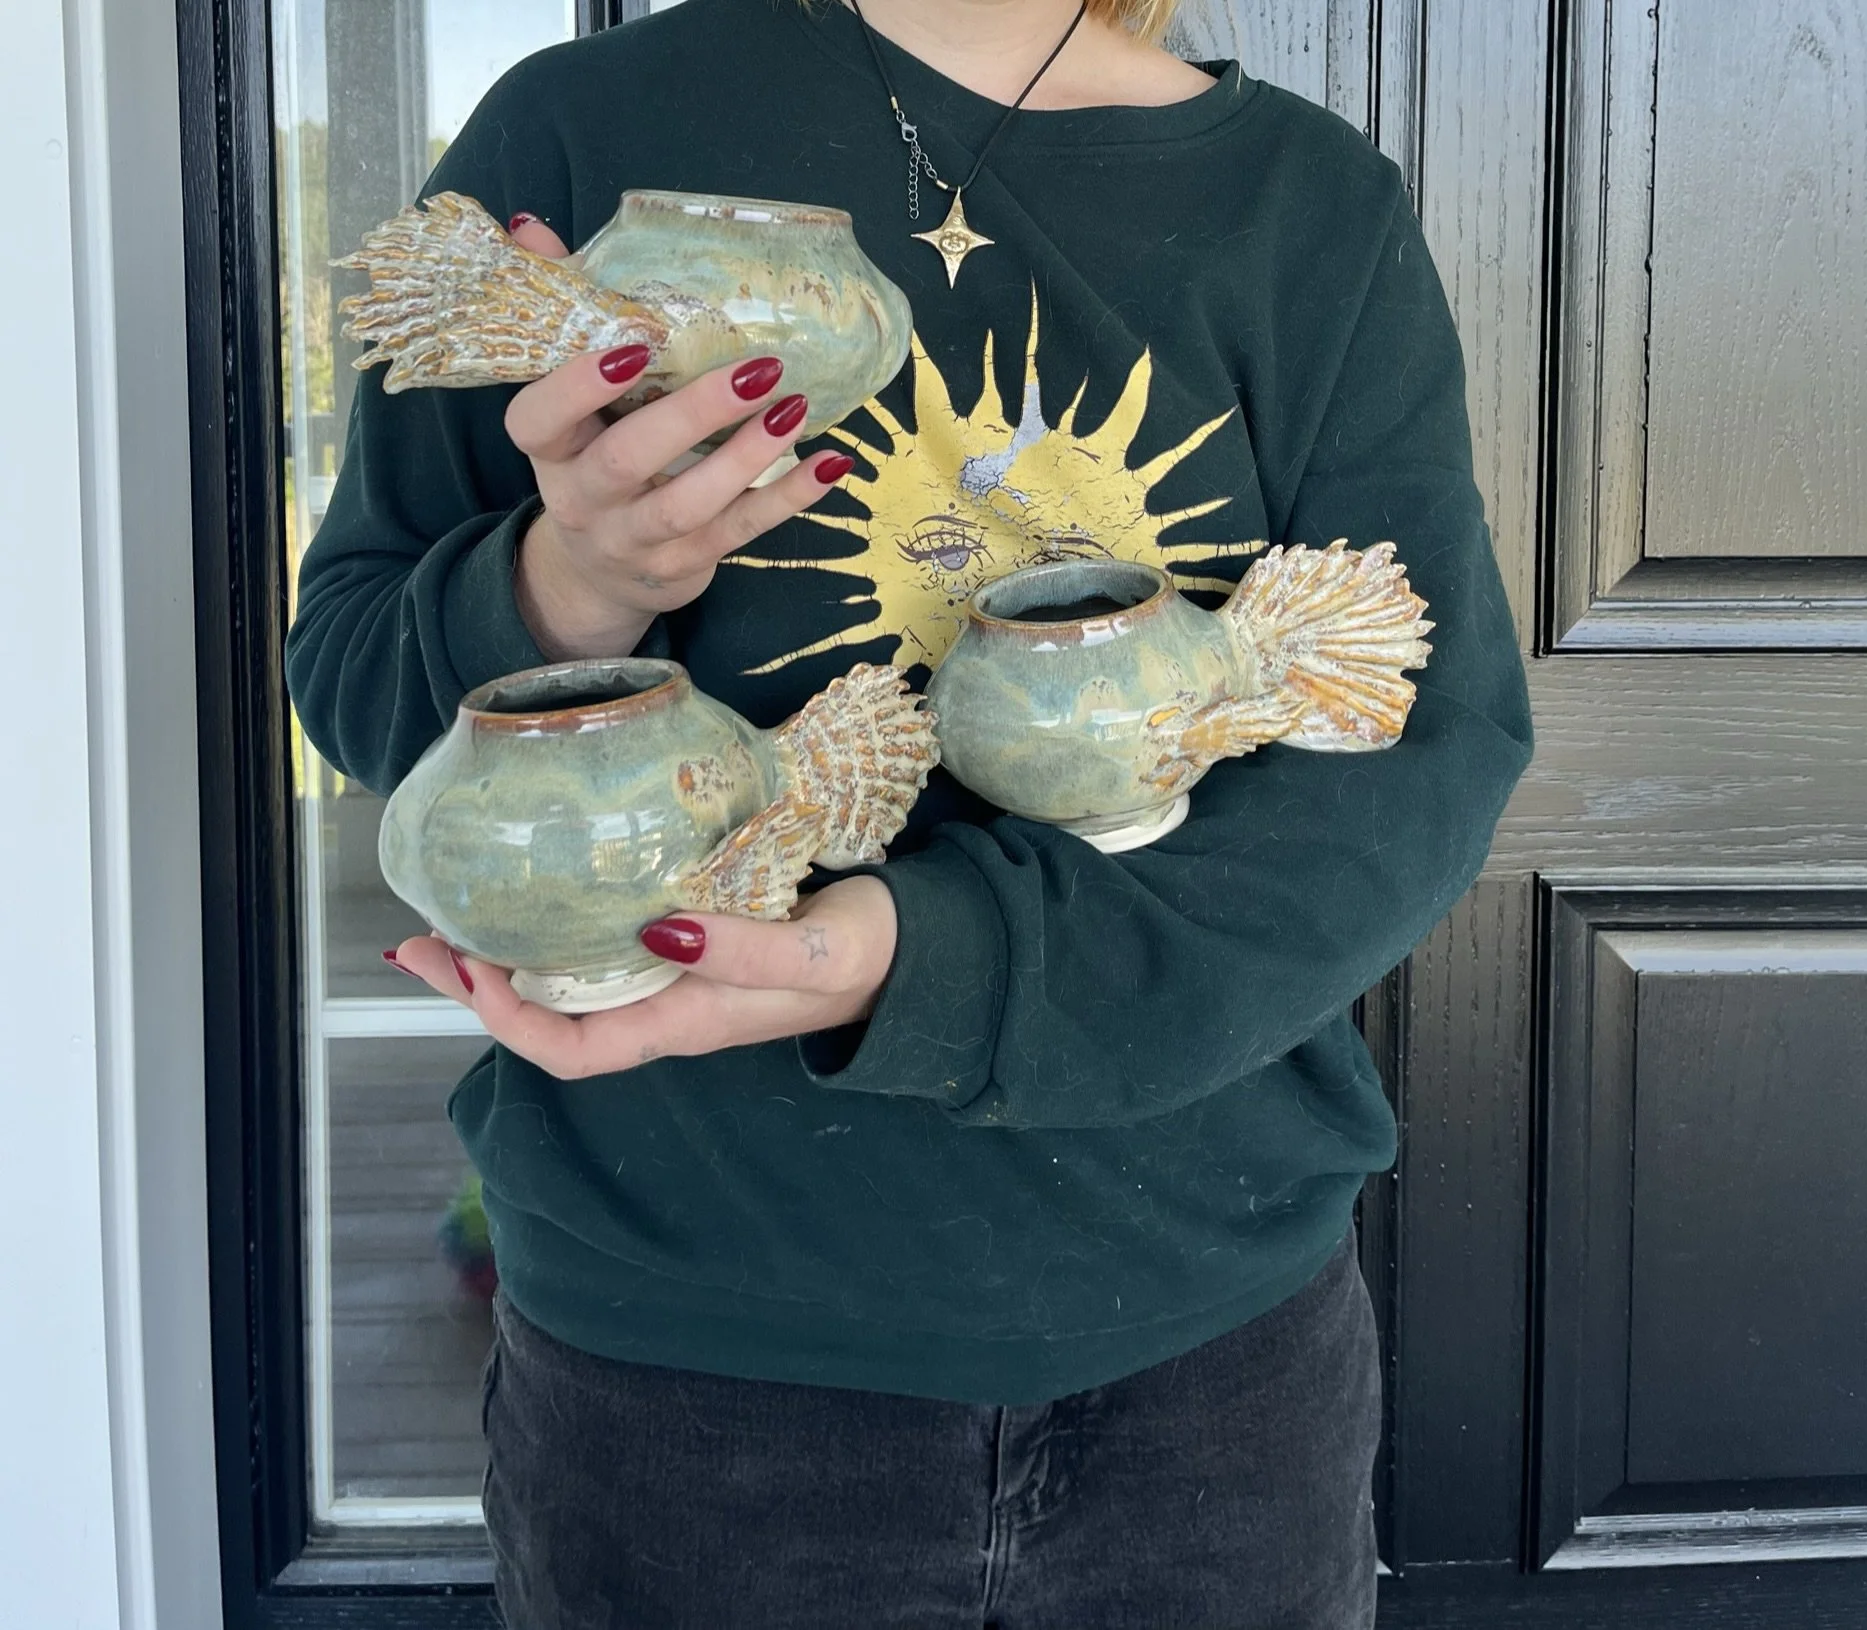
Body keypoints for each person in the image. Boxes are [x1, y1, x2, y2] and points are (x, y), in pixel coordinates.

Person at [286, 0, 1532, 1623]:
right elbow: (358, 681)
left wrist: (912, 960)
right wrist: (569, 582)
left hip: (1211, 1367)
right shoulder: (584, 133)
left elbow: (1414, 758)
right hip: (690, 1373)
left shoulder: (1311, 208)